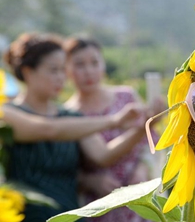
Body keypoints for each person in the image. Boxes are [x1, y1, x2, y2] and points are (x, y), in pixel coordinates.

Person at [1, 32, 153, 222]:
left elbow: (103, 155)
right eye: (53, 70)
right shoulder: (6, 114)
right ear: (28, 71)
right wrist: (115, 120)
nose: (61, 78)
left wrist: (143, 126)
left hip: (70, 215)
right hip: (24, 215)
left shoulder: (71, 118)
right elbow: (48, 129)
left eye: (63, 70)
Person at [64, 37, 162, 222]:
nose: (89, 71)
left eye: (94, 63)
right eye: (80, 65)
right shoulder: (70, 114)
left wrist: (143, 167)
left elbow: (152, 141)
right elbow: (98, 158)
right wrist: (90, 181)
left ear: (103, 65)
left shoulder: (126, 96)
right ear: (67, 70)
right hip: (102, 205)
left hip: (141, 195)